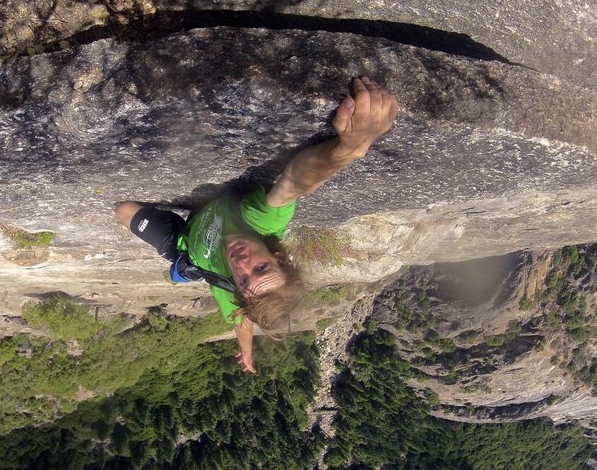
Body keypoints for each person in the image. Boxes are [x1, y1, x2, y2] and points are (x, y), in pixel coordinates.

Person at [115, 76, 399, 373]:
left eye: (243, 281)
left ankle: (183, 270)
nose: (241, 263)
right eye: (261, 268)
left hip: (184, 245)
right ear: (279, 259)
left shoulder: (228, 286)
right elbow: (293, 182)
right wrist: (346, 151)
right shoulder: (261, 222)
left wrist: (246, 350)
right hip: (207, 214)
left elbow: (241, 318)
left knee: (124, 211)